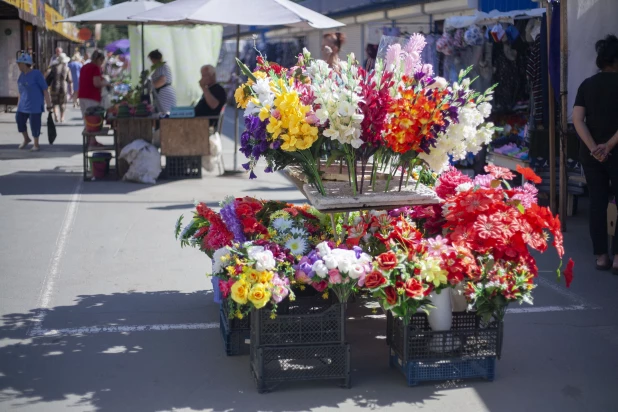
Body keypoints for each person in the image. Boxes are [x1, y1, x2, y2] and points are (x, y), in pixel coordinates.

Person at [573, 34, 618, 272]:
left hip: (591, 155)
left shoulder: (586, 85)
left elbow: (578, 120)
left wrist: (594, 148)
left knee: (597, 203)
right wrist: (609, 145)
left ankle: (601, 256)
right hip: (616, 152)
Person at [15, 51, 52, 152]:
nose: (18, 65)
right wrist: (18, 104)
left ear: (24, 64)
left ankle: (36, 144)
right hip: (23, 105)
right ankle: (26, 138)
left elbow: (45, 89)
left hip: (35, 105)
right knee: (19, 120)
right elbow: (20, 91)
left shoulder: (36, 74)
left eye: (19, 63)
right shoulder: (21, 75)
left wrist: (49, 104)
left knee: (34, 124)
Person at [78, 49, 110, 147]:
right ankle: (92, 141)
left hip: (82, 95)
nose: (102, 64)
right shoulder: (95, 68)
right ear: (99, 59)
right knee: (93, 119)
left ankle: (91, 140)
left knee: (86, 119)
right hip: (91, 96)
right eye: (102, 61)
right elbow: (96, 83)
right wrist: (106, 83)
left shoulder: (85, 67)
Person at [148, 49, 177, 115]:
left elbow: (162, 80)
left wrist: (151, 87)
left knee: (166, 114)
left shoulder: (163, 67)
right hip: (161, 93)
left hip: (165, 93)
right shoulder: (159, 67)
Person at [49, 53, 73, 123]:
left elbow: (49, 77)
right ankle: (62, 117)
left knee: (54, 102)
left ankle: (56, 116)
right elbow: (70, 80)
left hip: (54, 86)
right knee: (62, 103)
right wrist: (71, 91)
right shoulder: (67, 68)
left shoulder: (53, 67)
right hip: (63, 87)